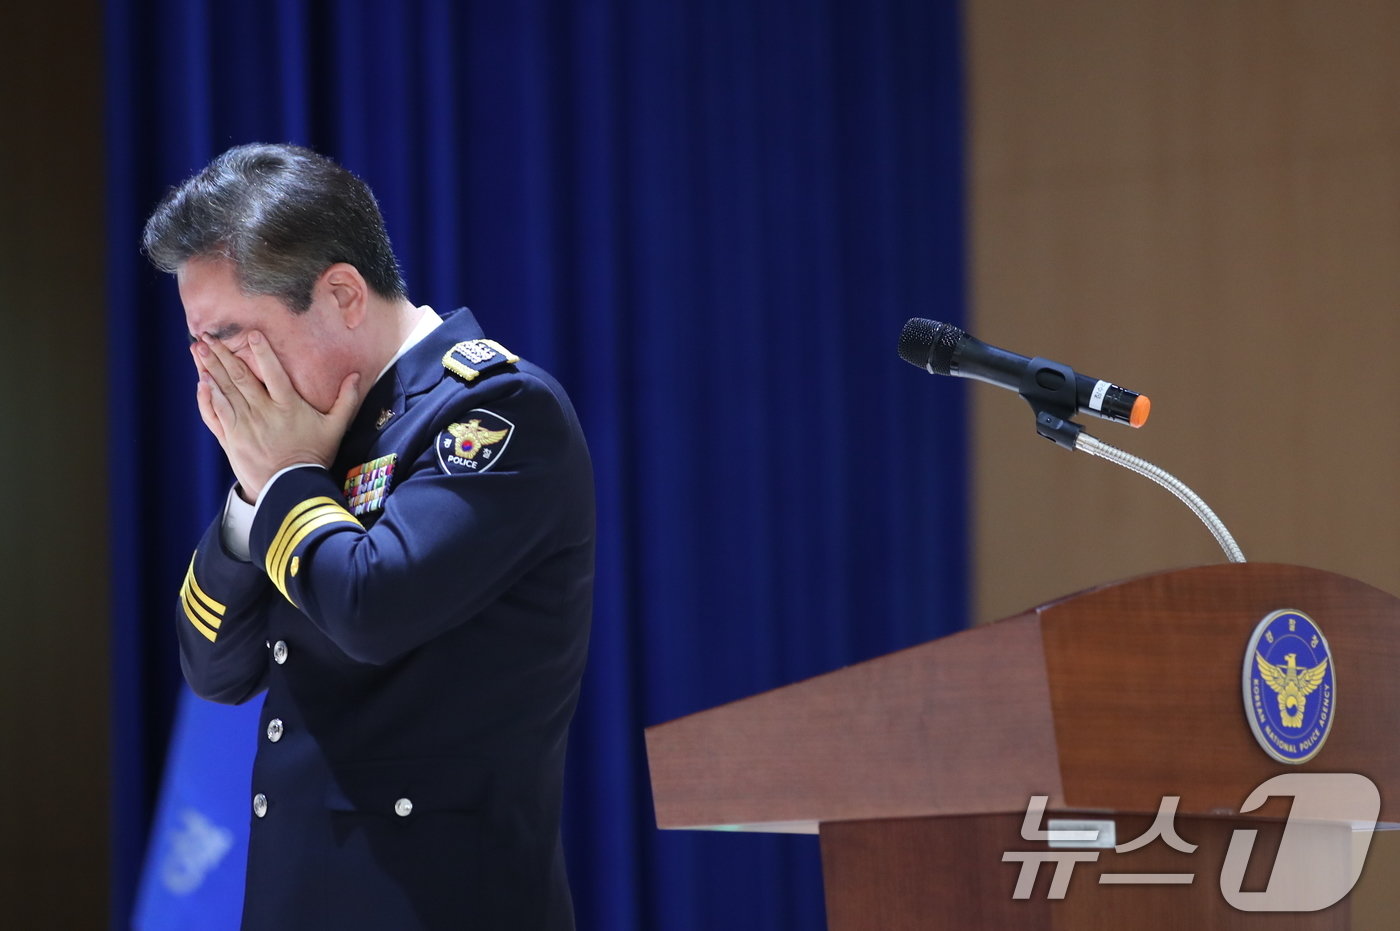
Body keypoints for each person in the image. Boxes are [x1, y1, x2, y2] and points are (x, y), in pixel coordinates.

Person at [142, 143, 595, 930]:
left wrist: (282, 479)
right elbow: (216, 667)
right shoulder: (310, 445)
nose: (212, 375)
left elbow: (371, 606)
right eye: (197, 343)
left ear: (344, 295)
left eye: (230, 335)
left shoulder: (496, 413)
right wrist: (255, 492)